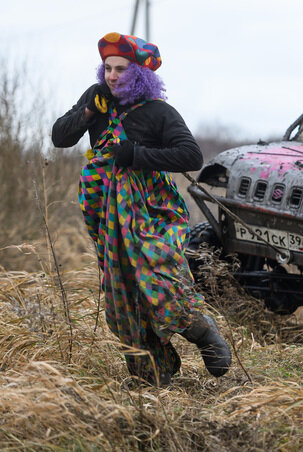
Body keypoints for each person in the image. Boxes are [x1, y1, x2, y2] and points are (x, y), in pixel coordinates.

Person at [52, 32, 231, 385]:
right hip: (105, 212)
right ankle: (153, 366)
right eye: (107, 68)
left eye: (121, 69)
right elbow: (60, 137)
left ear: (140, 74)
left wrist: (137, 155)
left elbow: (190, 156)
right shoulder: (97, 103)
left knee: (158, 275)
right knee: (121, 286)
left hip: (151, 211)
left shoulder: (158, 112)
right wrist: (88, 111)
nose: (113, 76)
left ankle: (201, 329)